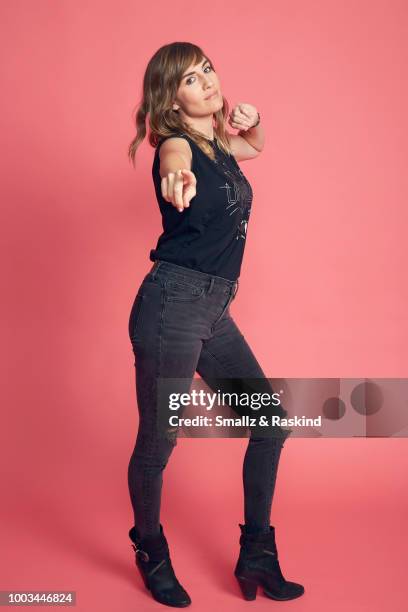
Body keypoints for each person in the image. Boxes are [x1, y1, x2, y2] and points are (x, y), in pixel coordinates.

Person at [126, 42, 304, 607]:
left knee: (270, 423)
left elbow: (254, 145)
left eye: (206, 69)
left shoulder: (218, 145)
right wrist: (174, 180)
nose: (205, 81)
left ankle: (256, 553)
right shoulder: (179, 145)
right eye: (188, 78)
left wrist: (257, 122)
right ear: (171, 101)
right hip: (171, 306)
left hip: (213, 309)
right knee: (159, 441)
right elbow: (174, 163)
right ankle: (150, 548)